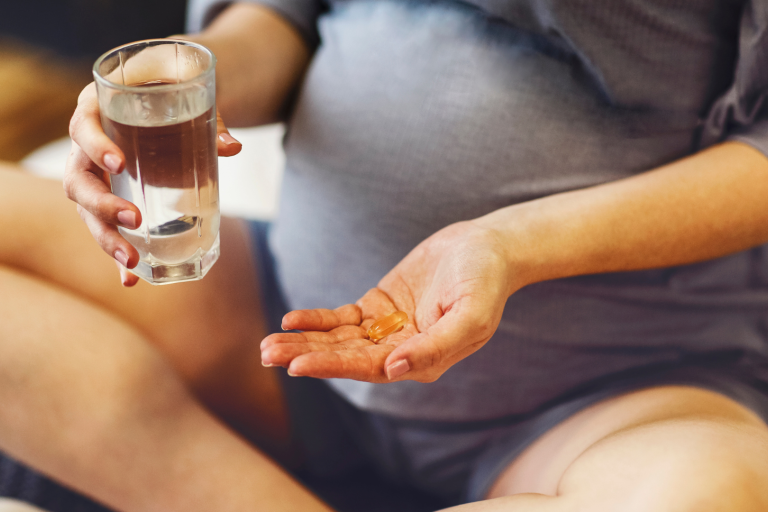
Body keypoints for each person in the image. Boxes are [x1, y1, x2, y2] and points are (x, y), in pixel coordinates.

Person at [1, 0, 768, 511]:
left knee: (712, 492)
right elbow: (285, 18)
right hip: (287, 336)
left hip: (610, 393)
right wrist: (194, 82)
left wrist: (507, 241)